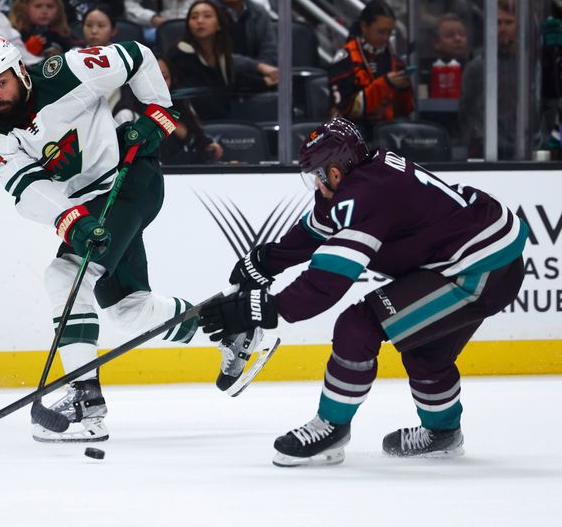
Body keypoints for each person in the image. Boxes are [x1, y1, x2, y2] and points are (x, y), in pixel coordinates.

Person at [199, 117, 527, 466]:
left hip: (479, 268)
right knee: (425, 353)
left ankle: (332, 427)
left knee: (359, 325)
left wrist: (263, 308)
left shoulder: (366, 195)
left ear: (336, 170)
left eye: (317, 173)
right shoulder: (365, 176)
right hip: (486, 256)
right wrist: (265, 262)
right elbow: (316, 231)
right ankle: (443, 432)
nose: (316, 182)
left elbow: (328, 282)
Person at [0, 36, 199, 442]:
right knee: (130, 309)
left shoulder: (68, 71)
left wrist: (158, 113)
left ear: (20, 71)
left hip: (127, 181)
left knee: (63, 275)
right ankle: (229, 323)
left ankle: (85, 401)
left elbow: (139, 56)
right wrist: (71, 220)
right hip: (94, 209)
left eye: (0, 83)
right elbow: (27, 189)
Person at [328, 0, 413, 129]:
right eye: (381, 32)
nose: (386, 38)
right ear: (364, 27)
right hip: (353, 133)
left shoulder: (396, 62)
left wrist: (403, 89)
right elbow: (344, 110)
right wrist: (385, 84)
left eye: (389, 33)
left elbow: (407, 110)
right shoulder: (345, 59)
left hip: (389, 131)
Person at [458, 0, 523, 159]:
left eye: (508, 22)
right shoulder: (478, 66)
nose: (502, 28)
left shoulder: (531, 64)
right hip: (487, 149)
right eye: (498, 22)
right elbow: (465, 111)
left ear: (519, 25)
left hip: (526, 147)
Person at [157, 58, 222, 164]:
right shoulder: (130, 114)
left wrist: (206, 145)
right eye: (152, 78)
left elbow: (196, 140)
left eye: (164, 77)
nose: (160, 84)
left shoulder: (182, 103)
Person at [211, 0, 279, 89]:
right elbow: (213, 57)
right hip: (215, 87)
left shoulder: (259, 12)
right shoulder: (204, 13)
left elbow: (270, 54)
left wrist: (257, 78)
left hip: (257, 86)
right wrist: (258, 67)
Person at [9, 0, 75, 60]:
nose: (44, 11)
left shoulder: (63, 34)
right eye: (38, 6)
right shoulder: (16, 35)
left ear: (58, 9)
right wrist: (26, 51)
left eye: (50, 6)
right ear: (25, 8)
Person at [123, 0, 196, 42]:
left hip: (173, 29)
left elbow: (189, 7)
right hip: (140, 28)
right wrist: (152, 18)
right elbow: (126, 5)